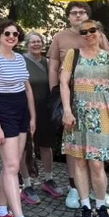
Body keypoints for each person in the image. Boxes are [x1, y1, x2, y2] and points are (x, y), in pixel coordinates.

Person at [59, 18, 109, 217]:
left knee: (98, 164)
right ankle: (85, 206)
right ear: (80, 35)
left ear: (100, 33)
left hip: (102, 116)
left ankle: (100, 206)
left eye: (93, 30)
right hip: (78, 115)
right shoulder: (74, 55)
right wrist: (66, 110)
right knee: (80, 162)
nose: (89, 34)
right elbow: (64, 83)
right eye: (84, 32)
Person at [47, 1, 109, 210]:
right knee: (74, 148)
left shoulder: (96, 33)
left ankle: (98, 190)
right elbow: (53, 68)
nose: (78, 15)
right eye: (74, 13)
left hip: (94, 97)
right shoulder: (60, 37)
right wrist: (55, 95)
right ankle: (74, 188)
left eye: (82, 12)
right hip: (68, 95)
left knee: (96, 146)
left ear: (88, 15)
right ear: (68, 16)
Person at [0, 19, 39, 217]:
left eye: (16, 34)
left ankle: (0, 209)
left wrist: (33, 116)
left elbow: (27, 88)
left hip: (21, 110)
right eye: (7, 33)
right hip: (3, 111)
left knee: (12, 165)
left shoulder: (19, 59)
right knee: (13, 167)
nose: (12, 37)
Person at [23, 32, 63, 200]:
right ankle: (26, 184)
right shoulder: (21, 61)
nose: (36, 44)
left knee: (47, 145)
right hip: (25, 108)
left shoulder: (48, 63)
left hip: (45, 109)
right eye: (32, 42)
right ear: (27, 44)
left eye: (39, 41)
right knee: (24, 147)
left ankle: (48, 179)